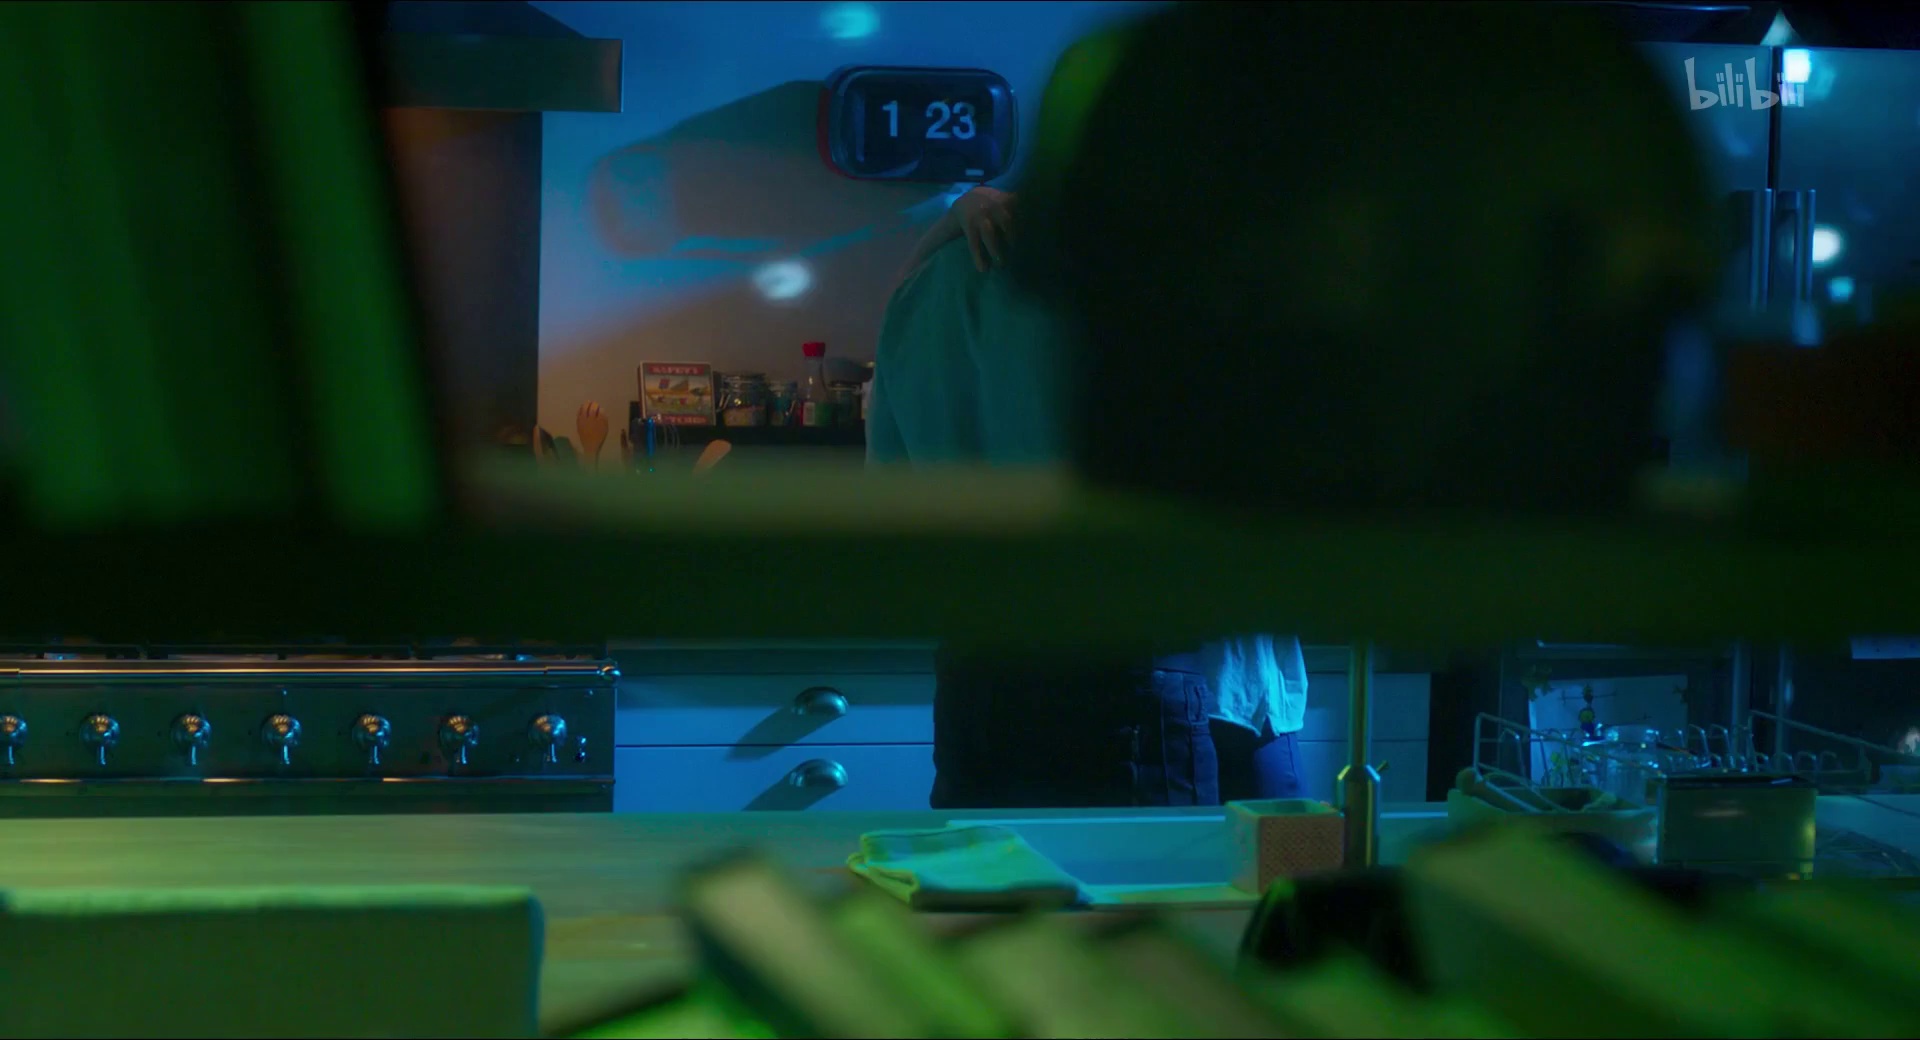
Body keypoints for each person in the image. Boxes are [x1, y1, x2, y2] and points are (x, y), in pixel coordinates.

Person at [868, 183, 1310, 808]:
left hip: (978, 677)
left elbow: (889, 495)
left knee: (987, 868)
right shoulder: (1144, 278)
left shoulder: (922, 288)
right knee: (1188, 867)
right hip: (1143, 669)